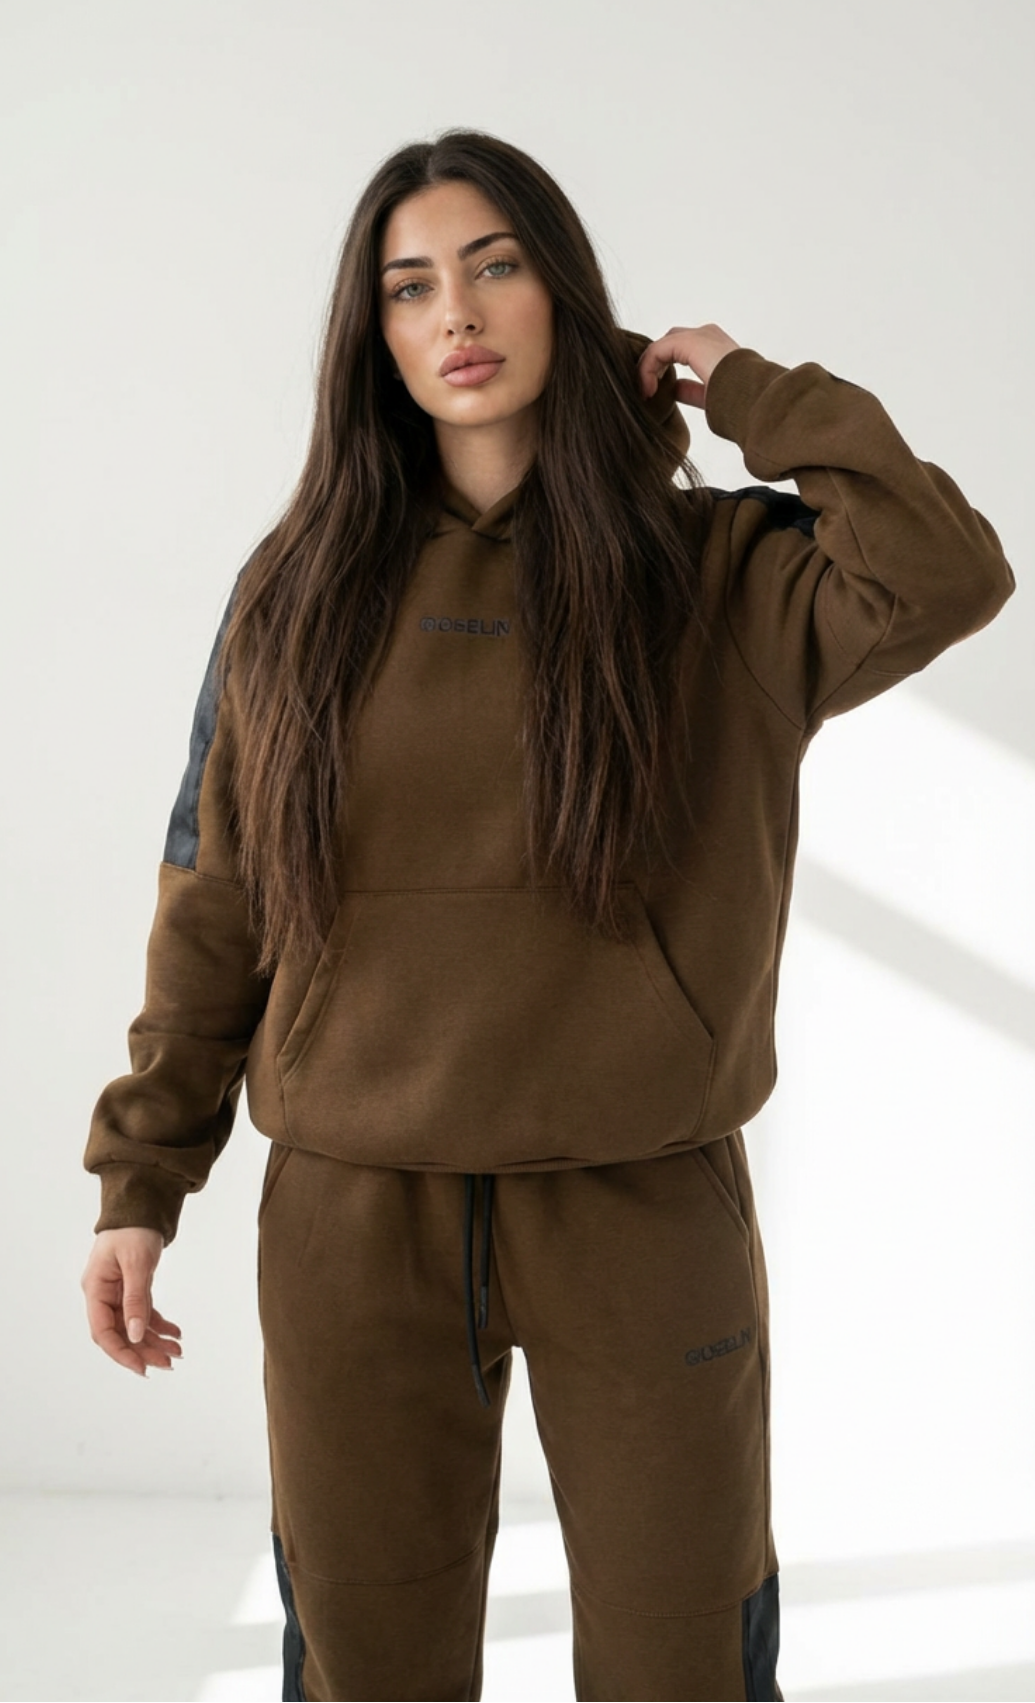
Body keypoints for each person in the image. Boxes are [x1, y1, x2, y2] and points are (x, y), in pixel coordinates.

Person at [80, 126, 1015, 1703]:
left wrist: (749, 391)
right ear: (372, 339)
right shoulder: (295, 590)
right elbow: (216, 892)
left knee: (680, 1659)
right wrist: (141, 1175)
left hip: (640, 1196)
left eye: (494, 266)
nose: (455, 312)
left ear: (564, 298)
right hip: (353, 1212)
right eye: (409, 286)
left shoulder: (719, 571)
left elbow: (944, 572)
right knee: (366, 1661)